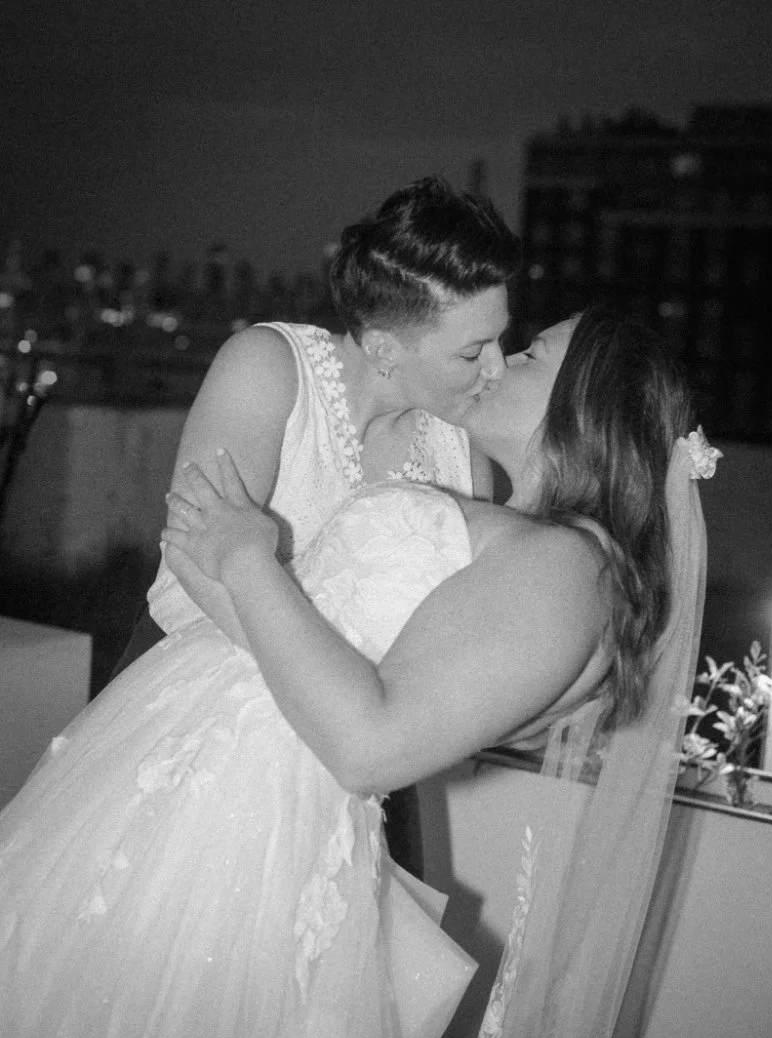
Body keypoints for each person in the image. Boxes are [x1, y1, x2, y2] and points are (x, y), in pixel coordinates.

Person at [0, 306, 715, 1038]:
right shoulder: (538, 543)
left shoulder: (571, 572)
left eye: (533, 354)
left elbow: (370, 746)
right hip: (202, 783)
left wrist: (248, 558)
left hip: (252, 830)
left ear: (587, 403)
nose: (498, 363)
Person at [113, 174, 519, 879]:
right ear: (386, 347)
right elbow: (193, 552)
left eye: (499, 342)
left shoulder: (463, 448)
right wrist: (336, 695)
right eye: (471, 351)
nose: (497, 367)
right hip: (190, 716)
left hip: (358, 752)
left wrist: (365, 715)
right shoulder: (267, 367)